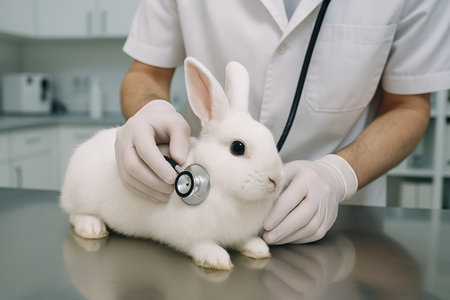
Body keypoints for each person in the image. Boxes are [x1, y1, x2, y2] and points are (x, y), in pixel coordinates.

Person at [116, 0, 450, 245]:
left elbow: (408, 106)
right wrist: (152, 109)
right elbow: (146, 73)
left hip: (341, 230)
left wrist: (338, 174)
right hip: (202, 208)